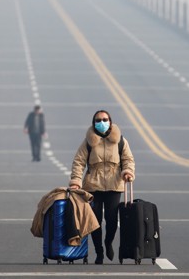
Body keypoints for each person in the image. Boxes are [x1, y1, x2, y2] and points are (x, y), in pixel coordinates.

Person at [69, 110, 135, 265]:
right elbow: (78, 162)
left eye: (105, 119)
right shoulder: (88, 142)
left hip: (114, 185)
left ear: (110, 121)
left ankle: (108, 242)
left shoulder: (120, 141)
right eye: (98, 120)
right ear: (94, 123)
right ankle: (99, 252)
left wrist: (127, 172)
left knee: (111, 220)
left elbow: (128, 159)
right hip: (93, 186)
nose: (102, 122)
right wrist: (76, 180)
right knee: (95, 221)